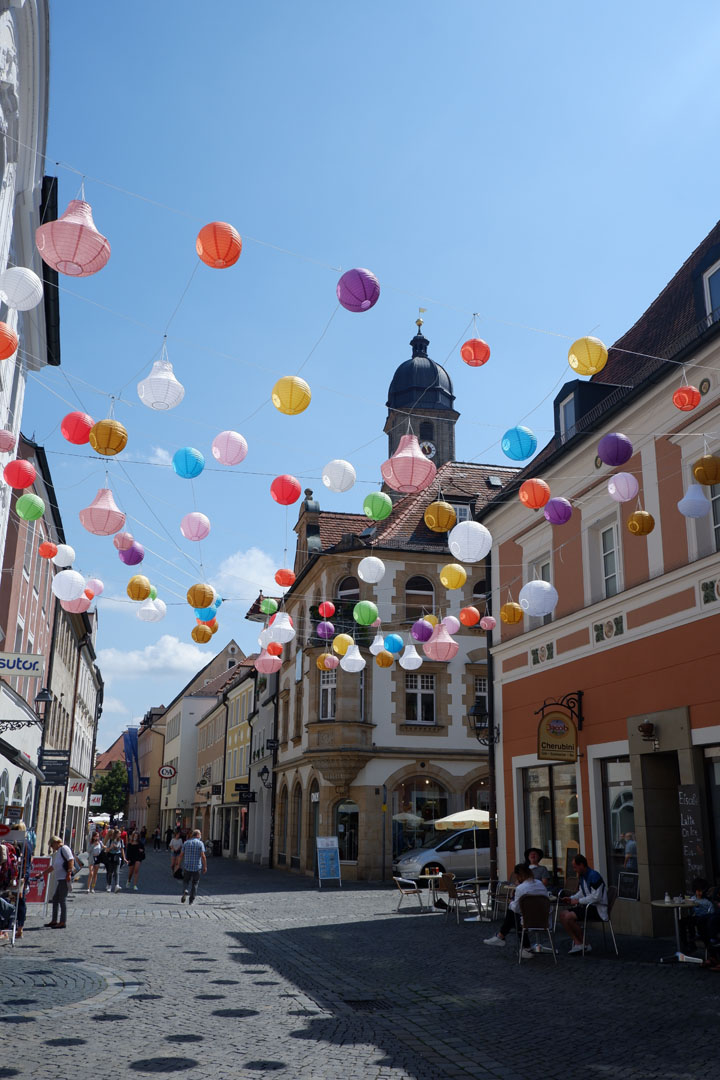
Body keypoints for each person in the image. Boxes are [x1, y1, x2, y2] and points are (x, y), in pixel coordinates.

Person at [484, 864, 549, 955]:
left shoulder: (521, 888)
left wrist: (511, 901)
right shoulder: (540, 883)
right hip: (544, 919)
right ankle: (502, 937)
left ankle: (505, 938)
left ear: (518, 876)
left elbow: (516, 908)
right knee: (516, 915)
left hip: (528, 921)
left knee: (513, 913)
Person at [557, 853, 608, 954]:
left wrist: (578, 901)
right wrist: (571, 898)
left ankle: (582, 943)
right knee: (562, 916)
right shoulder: (583, 876)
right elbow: (582, 892)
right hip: (588, 906)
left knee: (567, 917)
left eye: (575, 867)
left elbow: (596, 897)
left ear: (582, 865)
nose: (574, 869)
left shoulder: (594, 876)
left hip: (597, 908)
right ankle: (579, 943)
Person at [45, 836, 74, 929]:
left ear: (56, 842)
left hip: (64, 878)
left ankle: (62, 921)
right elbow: (53, 867)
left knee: (62, 900)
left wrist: (69, 873)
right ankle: (54, 920)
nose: (52, 847)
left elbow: (71, 860)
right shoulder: (58, 852)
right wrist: (42, 874)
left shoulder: (64, 849)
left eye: (52, 845)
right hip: (60, 878)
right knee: (56, 898)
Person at [180, 829, 207, 905]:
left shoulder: (186, 843)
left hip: (187, 866)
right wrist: (205, 866)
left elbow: (181, 855)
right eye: (200, 834)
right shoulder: (200, 843)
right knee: (195, 883)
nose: (201, 836)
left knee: (185, 881)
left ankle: (185, 890)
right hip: (197, 867)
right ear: (197, 835)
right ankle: (191, 900)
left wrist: (178, 864)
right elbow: (203, 856)